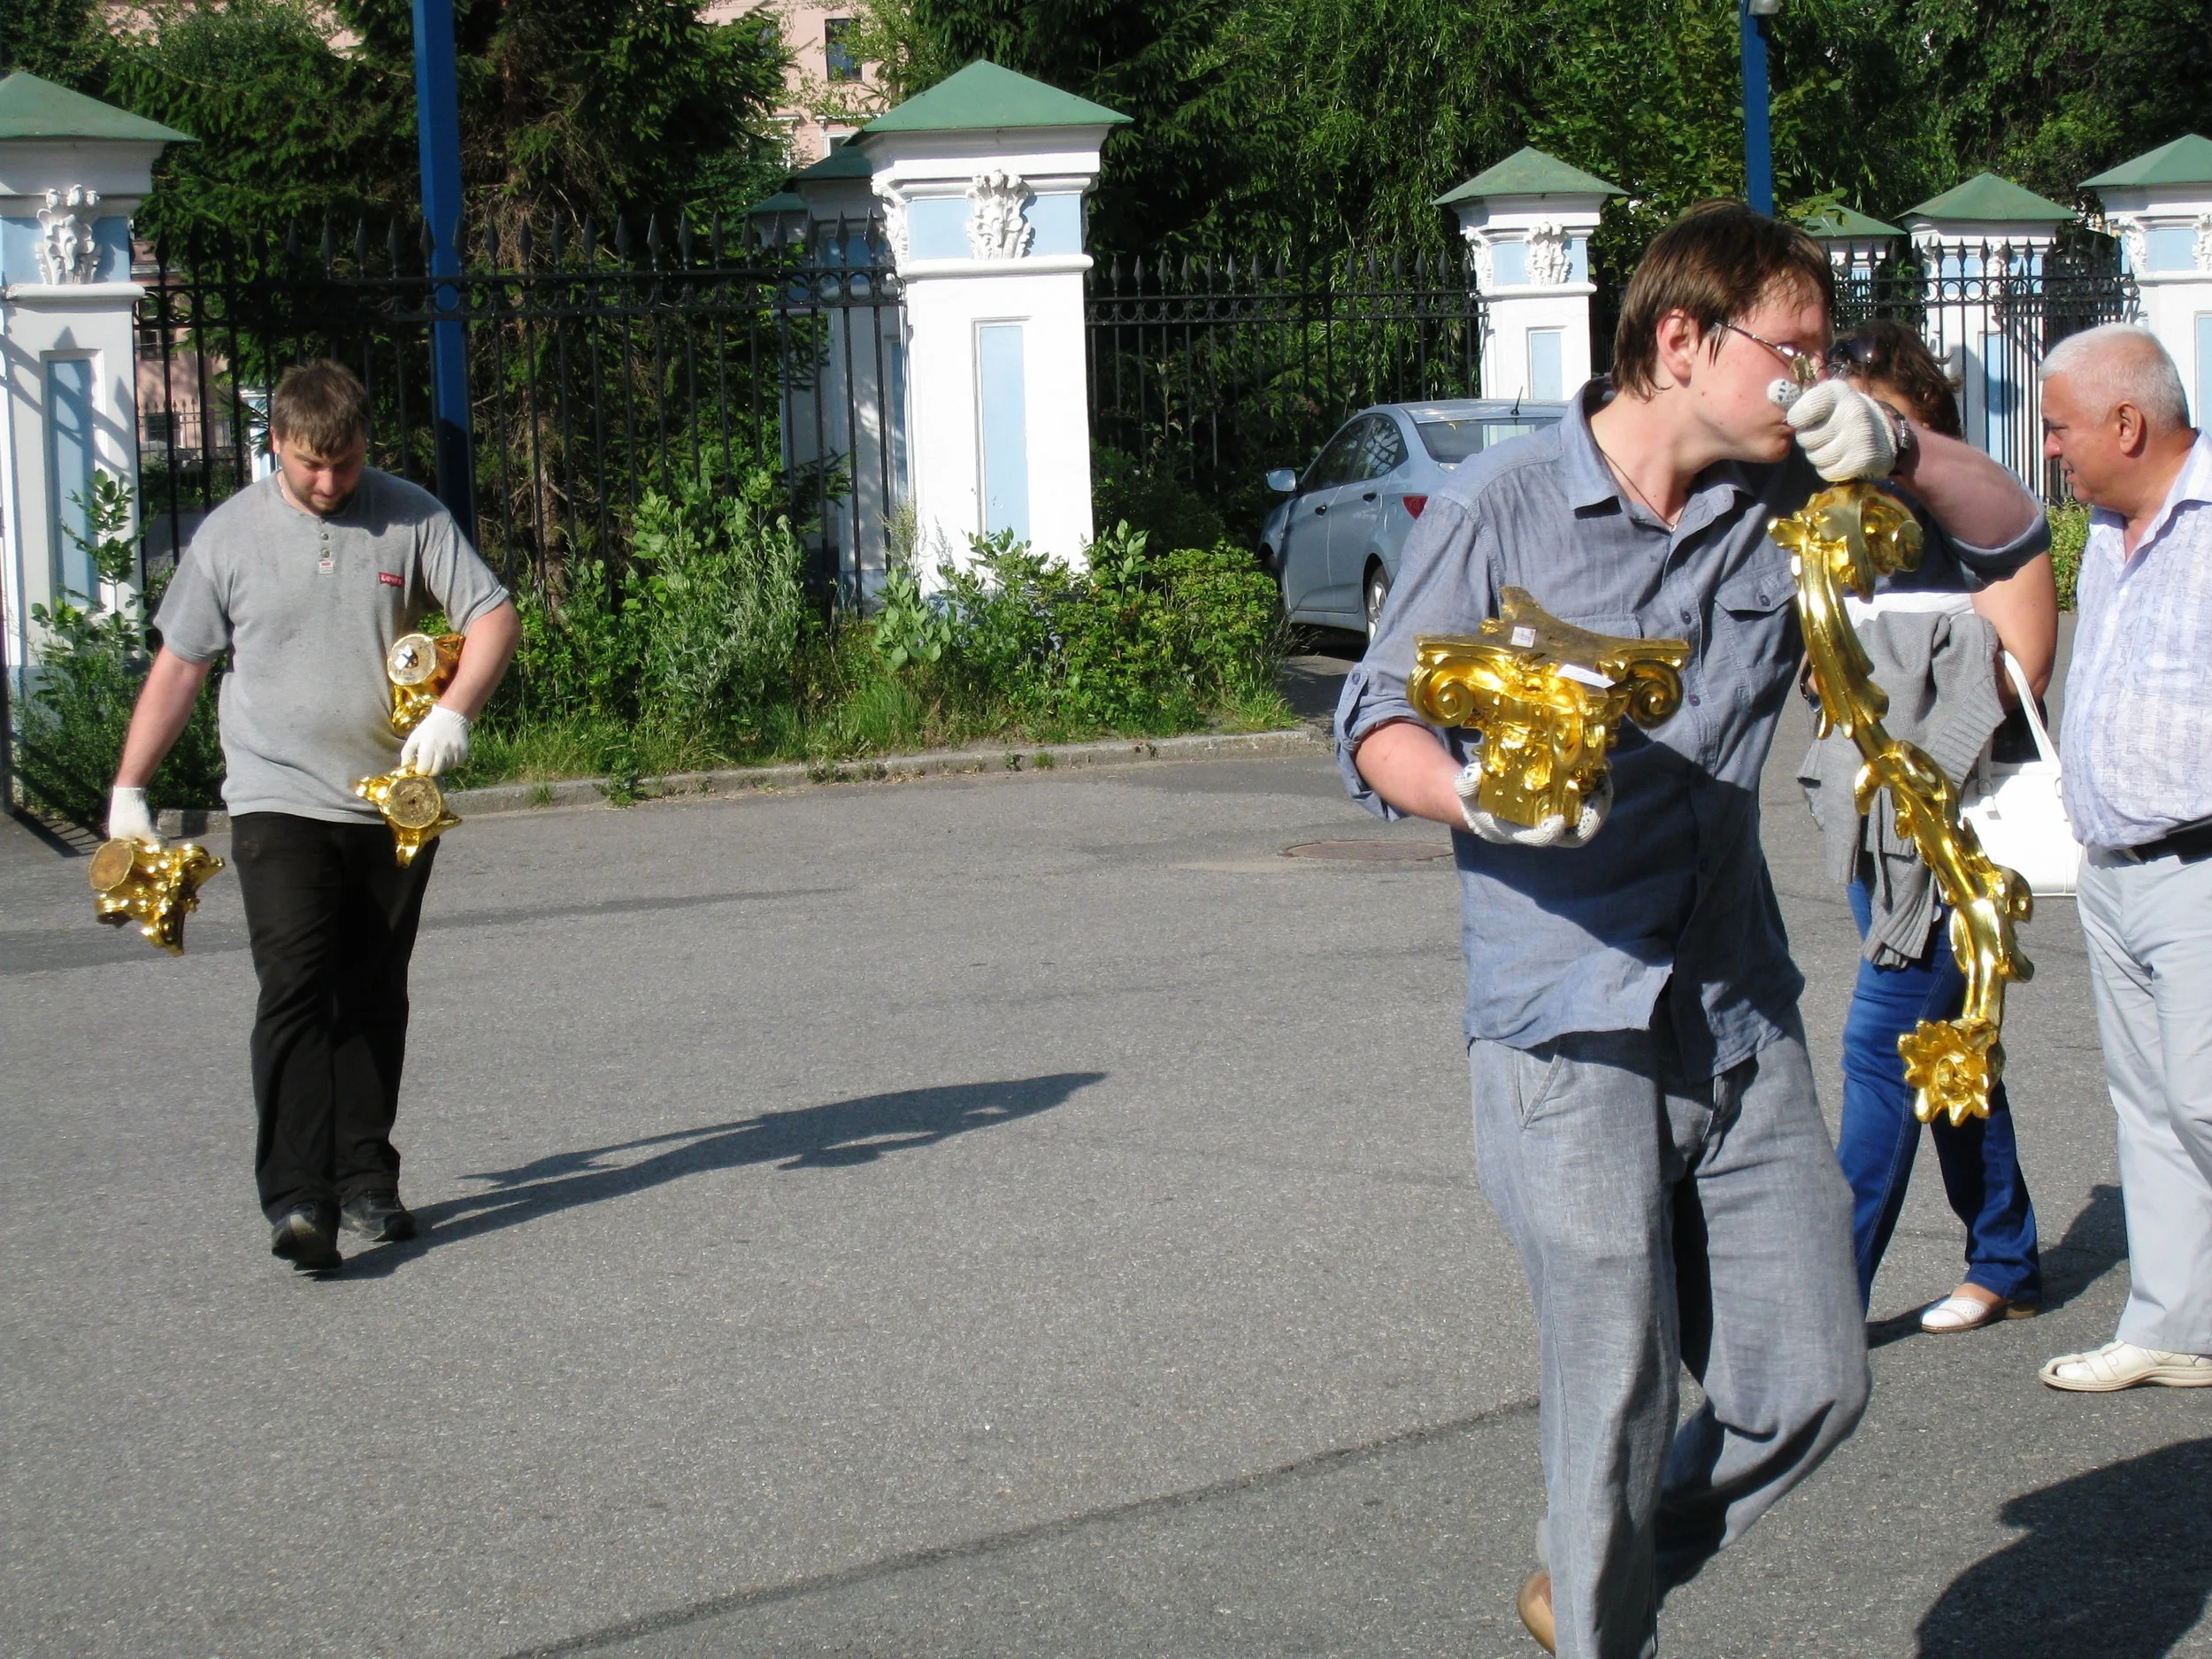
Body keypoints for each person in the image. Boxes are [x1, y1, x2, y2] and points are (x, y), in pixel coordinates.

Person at [1336, 203, 2046, 1658]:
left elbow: (2011, 535)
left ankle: (1595, 1567)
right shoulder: (1501, 508)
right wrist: (1473, 796)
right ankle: (1606, 1611)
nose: (1813, 378)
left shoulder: (1789, 498)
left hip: (1732, 1012)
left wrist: (1898, 445)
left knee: (1813, 1381)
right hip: (1567, 1021)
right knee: (1615, 1387)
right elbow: (1374, 716)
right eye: (1795, 350)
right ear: (1682, 340)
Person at [106, 359, 520, 1274]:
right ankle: (300, 1199)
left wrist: (454, 713)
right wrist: (130, 788)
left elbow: (494, 617)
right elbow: (181, 667)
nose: (329, 482)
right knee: (295, 983)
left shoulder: (411, 515)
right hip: (275, 796)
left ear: (366, 442)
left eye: (345, 462)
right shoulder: (230, 535)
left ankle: (366, 1177)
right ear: (276, 445)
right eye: (309, 464)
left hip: (389, 798)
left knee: (374, 987)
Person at [1801, 320, 2053, 1333]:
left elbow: (2018, 672)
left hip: (1953, 834)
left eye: (1886, 421)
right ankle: (2005, 1255)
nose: (1862, 442)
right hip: (1875, 834)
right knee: (1941, 1045)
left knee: (1877, 1046)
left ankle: (1825, 1302)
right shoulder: (1841, 526)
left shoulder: (1975, 516)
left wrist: (1917, 755)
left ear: (1925, 421)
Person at [2034, 323, 2212, 1393]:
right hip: (2111, 865)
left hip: (2200, 864)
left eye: (2059, 427)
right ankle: (2174, 1325)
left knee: (2203, 1100)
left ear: (2127, 423)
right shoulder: (2107, 528)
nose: (2050, 447)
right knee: (2147, 1109)